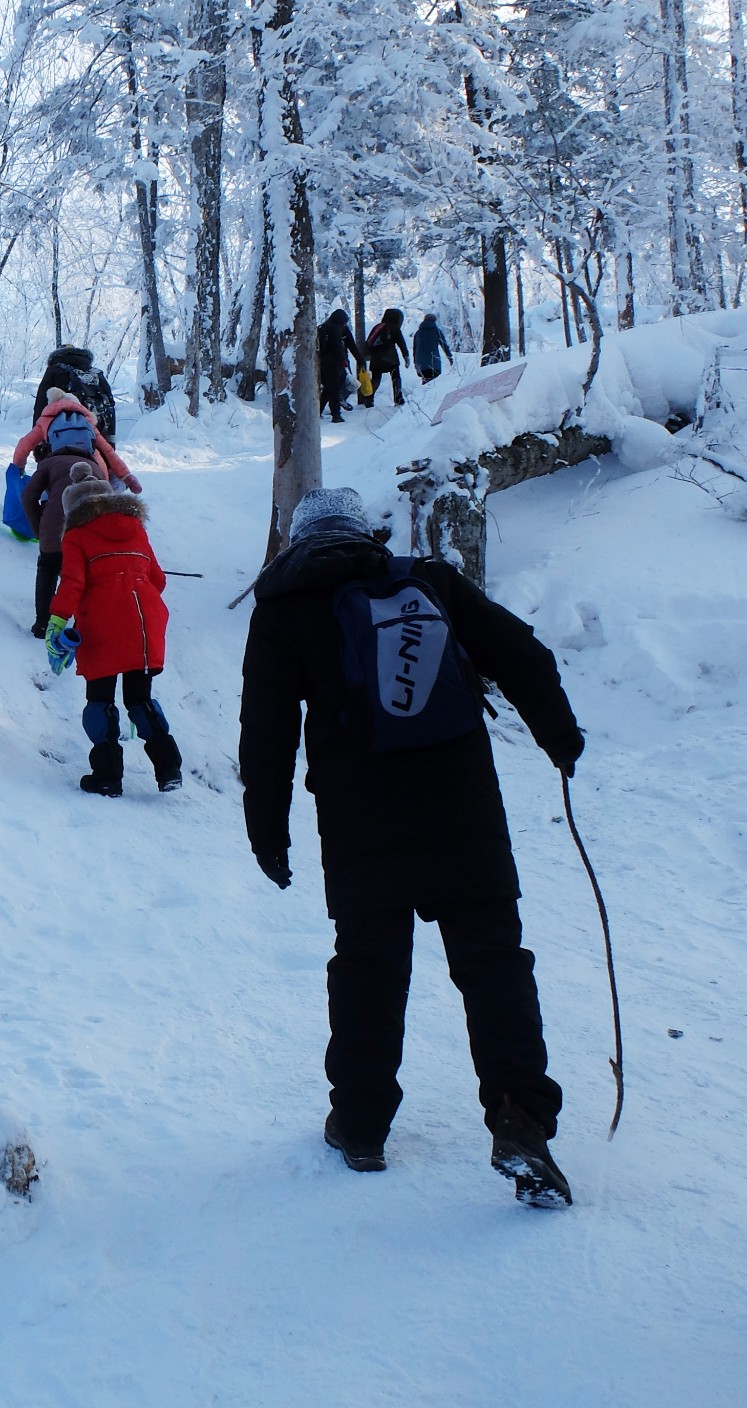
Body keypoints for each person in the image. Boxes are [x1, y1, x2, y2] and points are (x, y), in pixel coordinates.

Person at [237, 487, 586, 1205]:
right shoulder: (428, 581)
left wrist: (268, 834)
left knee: (369, 967)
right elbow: (522, 654)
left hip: (360, 817)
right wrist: (560, 737)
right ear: (362, 533)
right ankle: (521, 1120)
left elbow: (264, 735)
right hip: (463, 800)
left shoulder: (283, 610)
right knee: (494, 963)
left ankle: (360, 1126)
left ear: (299, 541)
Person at [44, 461, 183, 795]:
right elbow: (158, 579)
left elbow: (73, 584)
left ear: (71, 508)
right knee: (140, 698)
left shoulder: (77, 535)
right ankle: (169, 769)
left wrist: (57, 622)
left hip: (103, 624)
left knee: (100, 701)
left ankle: (107, 777)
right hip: (146, 622)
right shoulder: (136, 528)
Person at [19, 410, 101, 638]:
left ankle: (42, 625)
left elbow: (28, 497)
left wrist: (39, 529)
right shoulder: (95, 467)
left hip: (54, 529)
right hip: (87, 533)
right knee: (79, 575)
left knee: (47, 568)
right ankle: (80, 625)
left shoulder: (48, 463)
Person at [12, 391, 140, 491]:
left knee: (49, 489)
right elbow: (108, 451)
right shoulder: (87, 422)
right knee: (111, 484)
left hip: (57, 468)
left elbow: (23, 445)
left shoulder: (46, 420)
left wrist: (19, 468)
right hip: (94, 467)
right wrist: (127, 476)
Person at [34, 345, 118, 443]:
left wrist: (38, 442)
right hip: (95, 434)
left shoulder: (54, 371)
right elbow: (110, 407)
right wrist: (111, 441)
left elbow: (41, 404)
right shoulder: (97, 373)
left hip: (60, 435)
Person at [316, 309, 365, 425]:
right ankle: (336, 414)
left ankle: (318, 411)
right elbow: (346, 345)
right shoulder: (339, 329)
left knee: (329, 388)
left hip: (323, 363)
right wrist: (357, 360)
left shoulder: (324, 327)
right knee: (335, 388)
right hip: (335, 363)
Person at [362, 307, 410, 407]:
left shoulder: (377, 327)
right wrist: (406, 356)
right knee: (395, 378)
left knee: (376, 379)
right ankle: (398, 399)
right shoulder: (394, 328)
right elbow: (401, 343)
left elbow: (368, 343)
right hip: (390, 358)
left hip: (376, 359)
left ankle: (369, 399)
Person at [414, 313, 450, 385]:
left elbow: (415, 350)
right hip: (433, 362)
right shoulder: (436, 331)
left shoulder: (418, 333)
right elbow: (444, 344)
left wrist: (416, 363)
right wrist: (450, 357)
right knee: (433, 385)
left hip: (420, 364)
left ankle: (423, 395)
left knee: (425, 382)